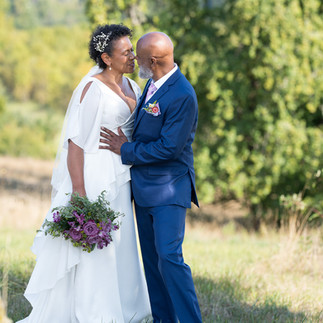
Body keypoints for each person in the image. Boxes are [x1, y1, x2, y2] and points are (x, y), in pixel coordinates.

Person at [18, 24, 151, 323]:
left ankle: (125, 306)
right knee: (96, 246)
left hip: (123, 175)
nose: (133, 56)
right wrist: (79, 191)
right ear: (106, 58)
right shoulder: (93, 90)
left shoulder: (133, 87)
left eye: (132, 50)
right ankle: (95, 311)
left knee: (121, 241)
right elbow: (75, 143)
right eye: (126, 52)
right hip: (95, 176)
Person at [100, 32, 203, 323]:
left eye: (139, 56)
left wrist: (126, 149)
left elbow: (170, 147)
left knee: (170, 258)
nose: (134, 60)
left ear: (153, 60)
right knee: (153, 263)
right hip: (144, 189)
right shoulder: (151, 84)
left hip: (169, 189)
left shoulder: (183, 94)